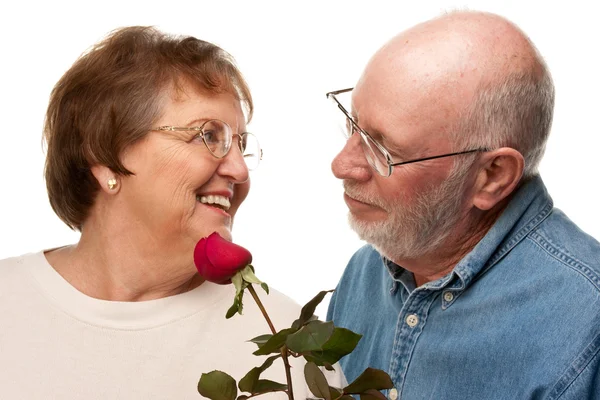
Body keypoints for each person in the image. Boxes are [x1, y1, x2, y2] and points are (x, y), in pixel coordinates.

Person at [0, 26, 343, 399]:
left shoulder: (290, 341)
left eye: (240, 145)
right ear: (104, 158)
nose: (240, 171)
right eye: (208, 136)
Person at [326, 10, 600, 400]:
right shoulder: (365, 272)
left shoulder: (589, 328)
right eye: (353, 124)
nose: (341, 165)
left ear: (492, 175)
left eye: (381, 148)